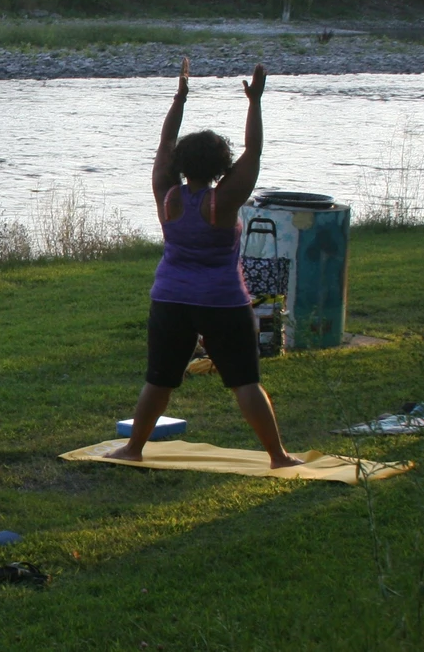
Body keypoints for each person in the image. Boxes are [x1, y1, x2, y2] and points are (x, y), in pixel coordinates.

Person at [105, 60, 305, 469]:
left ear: (181, 163)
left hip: (171, 297)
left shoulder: (166, 194)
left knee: (159, 380)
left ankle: (133, 447)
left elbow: (164, 144)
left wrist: (179, 98)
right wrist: (255, 102)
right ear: (220, 167)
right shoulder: (225, 199)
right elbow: (254, 150)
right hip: (223, 301)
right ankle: (278, 456)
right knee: (245, 382)